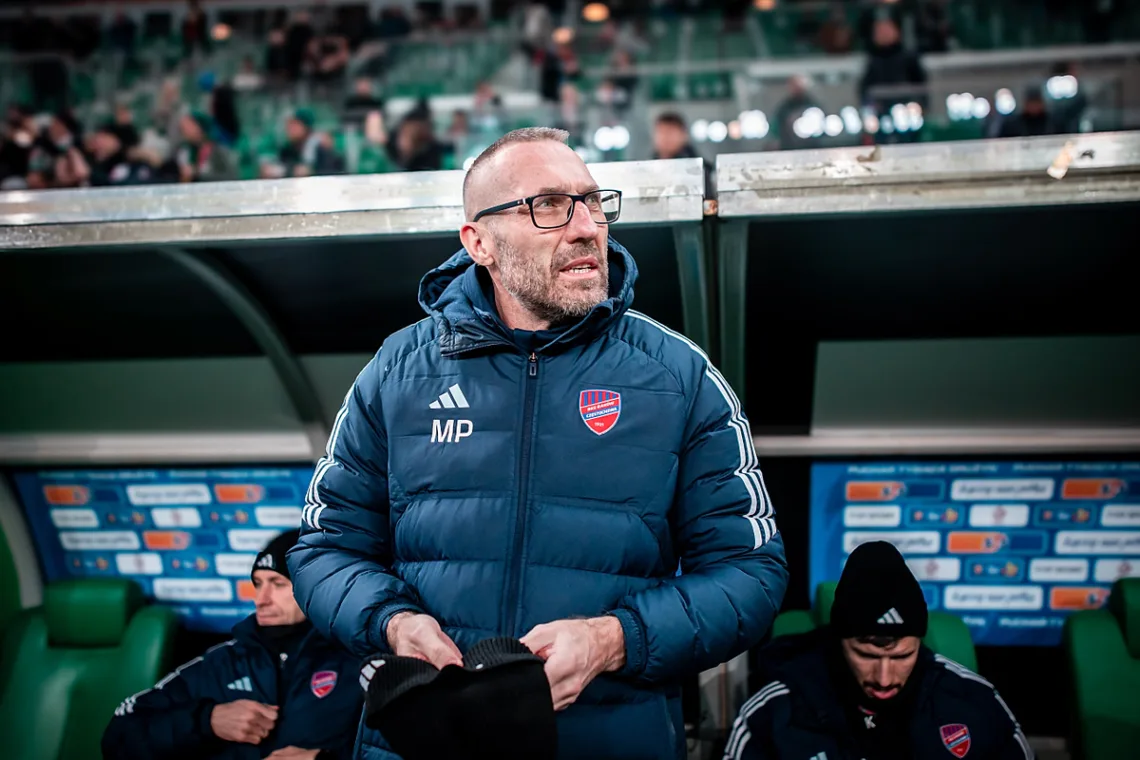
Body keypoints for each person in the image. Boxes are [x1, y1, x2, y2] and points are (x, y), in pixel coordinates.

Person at [289, 127, 788, 760]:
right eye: (548, 205)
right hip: (422, 742)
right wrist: (392, 623)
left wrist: (614, 640)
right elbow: (325, 550)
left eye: (592, 202)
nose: (586, 228)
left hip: (608, 743)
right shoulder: (398, 372)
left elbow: (752, 573)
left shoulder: (679, 377)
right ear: (479, 243)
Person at [725, 541, 1032, 760]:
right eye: (867, 655)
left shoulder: (975, 702)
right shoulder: (775, 712)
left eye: (902, 656)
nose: (884, 678)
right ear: (839, 641)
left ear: (919, 644)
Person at [102, 530, 362, 760]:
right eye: (258, 584)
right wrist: (207, 721)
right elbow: (118, 737)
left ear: (317, 589)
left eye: (278, 584)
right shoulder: (223, 662)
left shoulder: (360, 662)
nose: (261, 599)